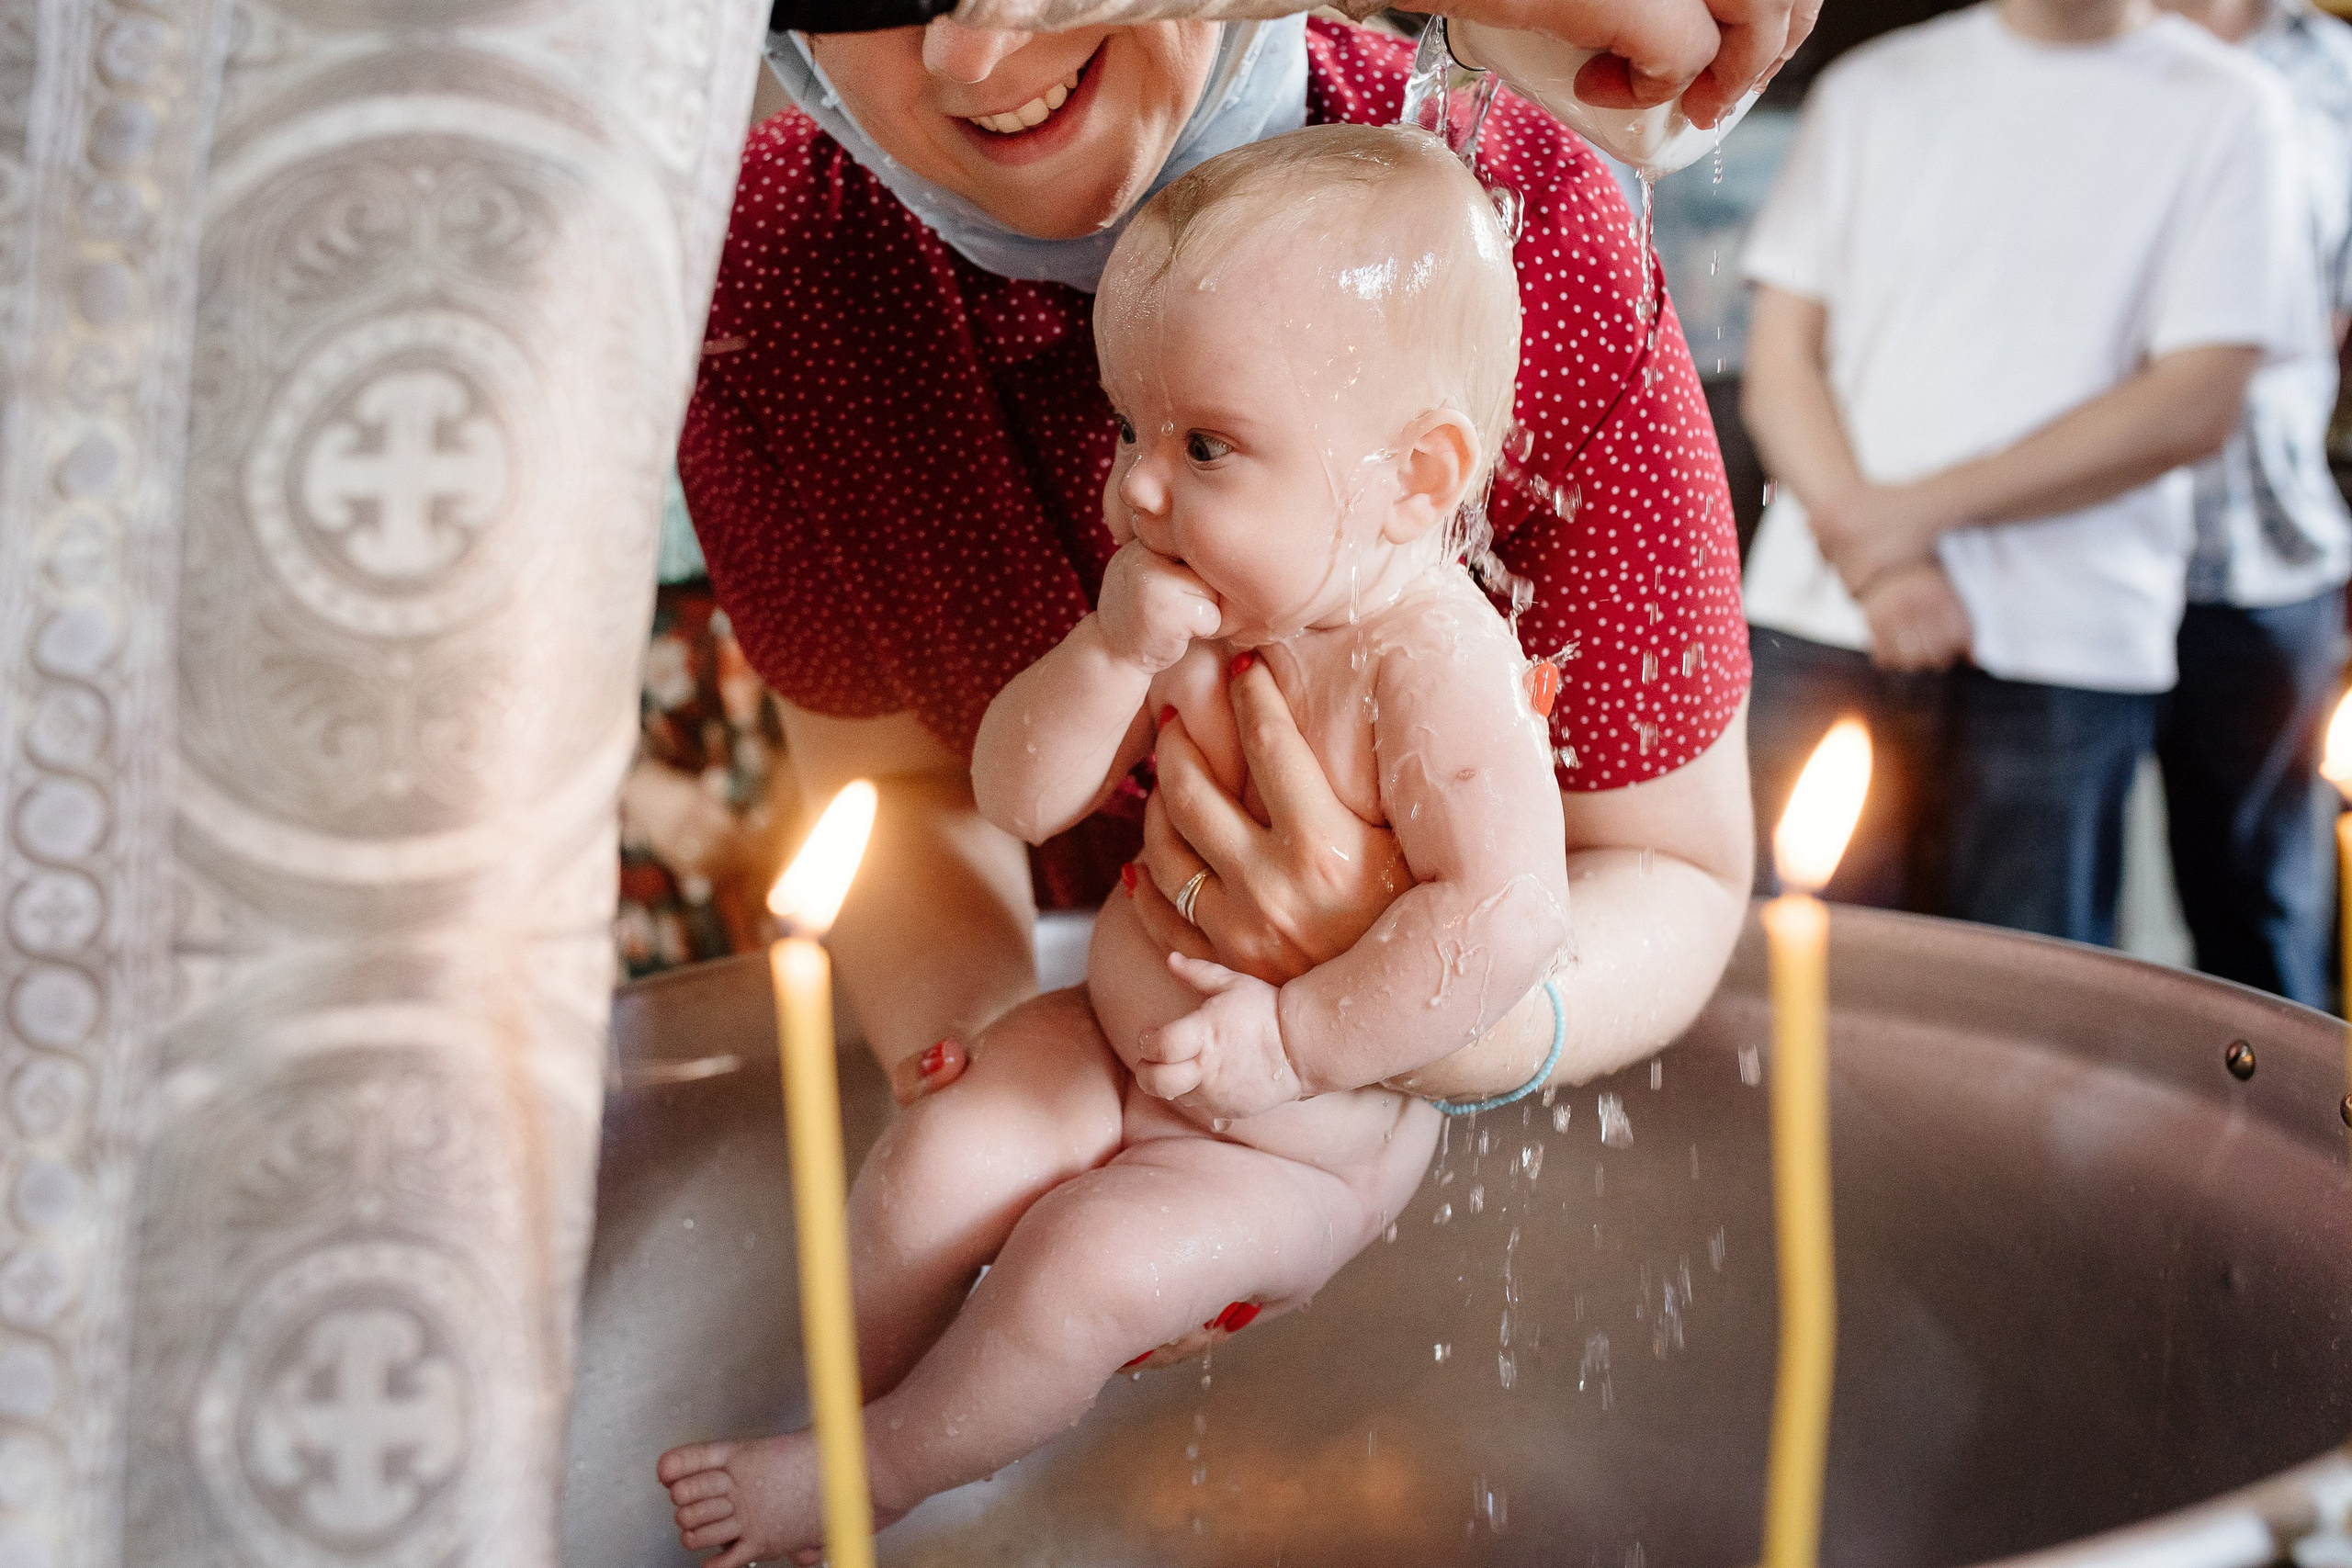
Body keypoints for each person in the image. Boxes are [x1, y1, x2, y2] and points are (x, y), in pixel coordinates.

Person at [661, 126, 1572, 1562]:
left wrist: (1297, 1039)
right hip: (1105, 1029)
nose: (1142, 488)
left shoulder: (1434, 666)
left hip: (1289, 1150)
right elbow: (1020, 796)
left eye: (1205, 444)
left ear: (1418, 477)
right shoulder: (1203, 593)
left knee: (1076, 1269)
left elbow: (1509, 908)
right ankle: (835, 1406)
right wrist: (1103, 652)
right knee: (934, 1163)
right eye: (1131, 430)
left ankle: (881, 1470)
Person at [678, 1, 1770, 1142]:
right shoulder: (764, 261)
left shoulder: (1501, 222)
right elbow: (898, 793)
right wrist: (1022, 1097)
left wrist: (1367, 1031)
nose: (973, 51)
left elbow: (1665, 869)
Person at [1738, 0, 2312, 942]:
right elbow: (1779, 364)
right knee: (1783, 1005)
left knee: (2025, 1027)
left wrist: (1908, 520)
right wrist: (1880, 561)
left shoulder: (2236, 109)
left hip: (2064, 647)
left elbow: (2195, 400)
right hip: (1819, 624)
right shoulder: (1872, 88)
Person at [2155, 0, 2352, 1006]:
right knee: (2035, 921)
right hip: (2061, 561)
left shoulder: (2334, 72)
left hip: (2267, 564)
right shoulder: (2073, 41)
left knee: (2269, 921)